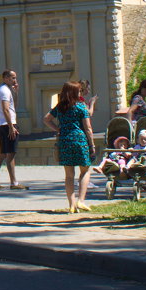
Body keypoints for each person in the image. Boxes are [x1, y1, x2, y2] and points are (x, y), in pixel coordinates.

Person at [43, 81, 96, 213]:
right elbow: (88, 128)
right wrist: (92, 145)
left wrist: (58, 129)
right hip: (80, 140)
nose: (80, 93)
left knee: (69, 175)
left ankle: (71, 204)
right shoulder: (81, 107)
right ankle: (81, 201)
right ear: (73, 93)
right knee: (85, 171)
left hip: (65, 141)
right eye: (78, 91)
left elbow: (46, 119)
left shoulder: (60, 107)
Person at [0, 70, 28, 190]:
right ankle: (13, 183)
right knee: (11, 154)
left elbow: (13, 107)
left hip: (4, 124)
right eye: (12, 78)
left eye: (15, 78)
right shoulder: (4, 91)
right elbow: (6, 110)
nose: (15, 80)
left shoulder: (5, 90)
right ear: (5, 78)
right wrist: (11, 127)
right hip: (7, 125)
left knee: (4, 154)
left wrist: (16, 92)